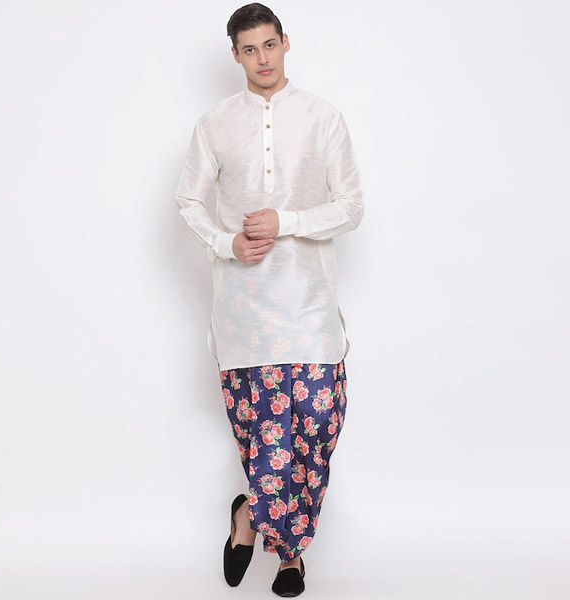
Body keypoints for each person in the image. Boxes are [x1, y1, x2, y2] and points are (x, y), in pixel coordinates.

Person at [174, 3, 364, 596]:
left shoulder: (322, 117)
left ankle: (248, 515)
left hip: (309, 305)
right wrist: (225, 242)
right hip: (244, 312)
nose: (262, 58)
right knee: (268, 443)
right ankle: (290, 558)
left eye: (270, 45)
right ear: (235, 55)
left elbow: (351, 207)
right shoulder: (214, 123)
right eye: (249, 49)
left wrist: (287, 221)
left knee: (316, 427)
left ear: (286, 42)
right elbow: (188, 201)